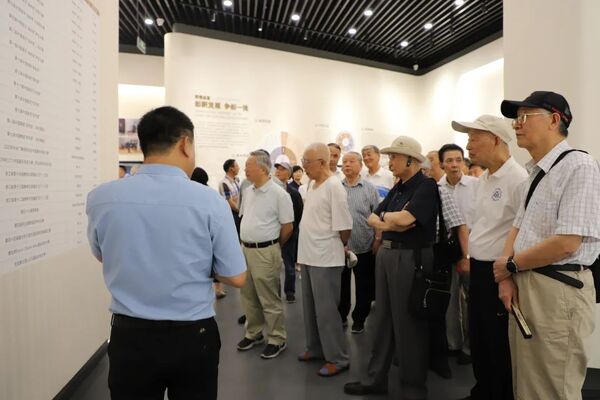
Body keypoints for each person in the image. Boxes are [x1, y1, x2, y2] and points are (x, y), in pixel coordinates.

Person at [86, 106, 246, 400]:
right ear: (185, 144)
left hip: (129, 336)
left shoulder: (101, 198)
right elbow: (236, 277)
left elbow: (102, 255)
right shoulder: (210, 202)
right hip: (193, 336)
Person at [495, 91, 600, 399]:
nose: (517, 124)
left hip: (558, 290)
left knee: (553, 387)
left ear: (555, 120)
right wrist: (506, 275)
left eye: (525, 117)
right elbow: (519, 225)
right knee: (528, 385)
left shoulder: (579, 166)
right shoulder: (535, 173)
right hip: (527, 283)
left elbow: (568, 242)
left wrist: (510, 265)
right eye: (516, 119)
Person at [345, 136, 439, 398]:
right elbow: (373, 217)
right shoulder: (399, 187)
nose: (390, 161)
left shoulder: (426, 186)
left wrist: (392, 220)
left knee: (408, 324)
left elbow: (408, 219)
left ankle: (413, 387)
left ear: (410, 160)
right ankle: (376, 379)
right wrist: (391, 221)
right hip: (387, 255)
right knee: (382, 320)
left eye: (394, 156)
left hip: (409, 258)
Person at [453, 114, 528, 400]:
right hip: (479, 268)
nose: (468, 146)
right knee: (480, 337)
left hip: (500, 271)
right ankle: (482, 391)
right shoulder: (484, 179)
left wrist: (507, 274)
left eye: (474, 138)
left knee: (498, 342)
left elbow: (522, 232)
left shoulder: (518, 179)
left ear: (496, 139)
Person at [297, 142, 353, 377]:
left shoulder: (334, 187)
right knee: (310, 309)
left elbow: (345, 227)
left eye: (306, 162)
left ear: (321, 162)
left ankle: (337, 358)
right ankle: (316, 348)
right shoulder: (312, 184)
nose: (303, 166)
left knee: (327, 311)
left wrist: (339, 247)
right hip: (308, 255)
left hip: (326, 258)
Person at [237, 151, 294, 359]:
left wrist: (273, 246)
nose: (245, 170)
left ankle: (277, 338)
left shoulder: (279, 194)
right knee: (248, 295)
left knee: (269, 297)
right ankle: (254, 333)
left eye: (248, 166)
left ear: (262, 169)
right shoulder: (248, 191)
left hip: (266, 251)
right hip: (246, 249)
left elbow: (287, 227)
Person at [438, 143, 479, 365]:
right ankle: (453, 343)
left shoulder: (476, 185)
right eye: (449, 161)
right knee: (450, 298)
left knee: (472, 301)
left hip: (474, 250)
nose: (454, 164)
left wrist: (468, 255)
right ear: (441, 164)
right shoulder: (436, 188)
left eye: (458, 160)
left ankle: (470, 347)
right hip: (448, 251)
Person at [339, 152, 379, 333]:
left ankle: (359, 319)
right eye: (344, 162)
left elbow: (377, 216)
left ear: (360, 166)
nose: (347, 165)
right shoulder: (336, 187)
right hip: (340, 247)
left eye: (351, 161)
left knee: (364, 286)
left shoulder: (369, 189)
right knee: (341, 285)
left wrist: (377, 239)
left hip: (364, 245)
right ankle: (341, 315)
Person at [191, 167, 227, 300]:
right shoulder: (211, 194)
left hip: (195, 234)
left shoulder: (189, 193)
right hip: (209, 233)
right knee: (213, 261)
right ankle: (218, 288)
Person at [274, 161, 304, 303]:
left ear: (289, 173)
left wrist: (290, 230)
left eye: (282, 169)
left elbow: (298, 214)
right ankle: (275, 293)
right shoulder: (271, 191)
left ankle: (290, 291)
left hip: (290, 234)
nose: (278, 171)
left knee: (289, 265)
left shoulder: (293, 193)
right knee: (272, 266)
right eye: (277, 169)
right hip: (272, 234)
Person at [219, 159, 241, 234]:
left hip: (239, 212)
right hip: (233, 214)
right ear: (231, 169)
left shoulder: (237, 180)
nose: (239, 168)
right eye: (237, 166)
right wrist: (241, 211)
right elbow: (230, 203)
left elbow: (238, 197)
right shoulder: (224, 183)